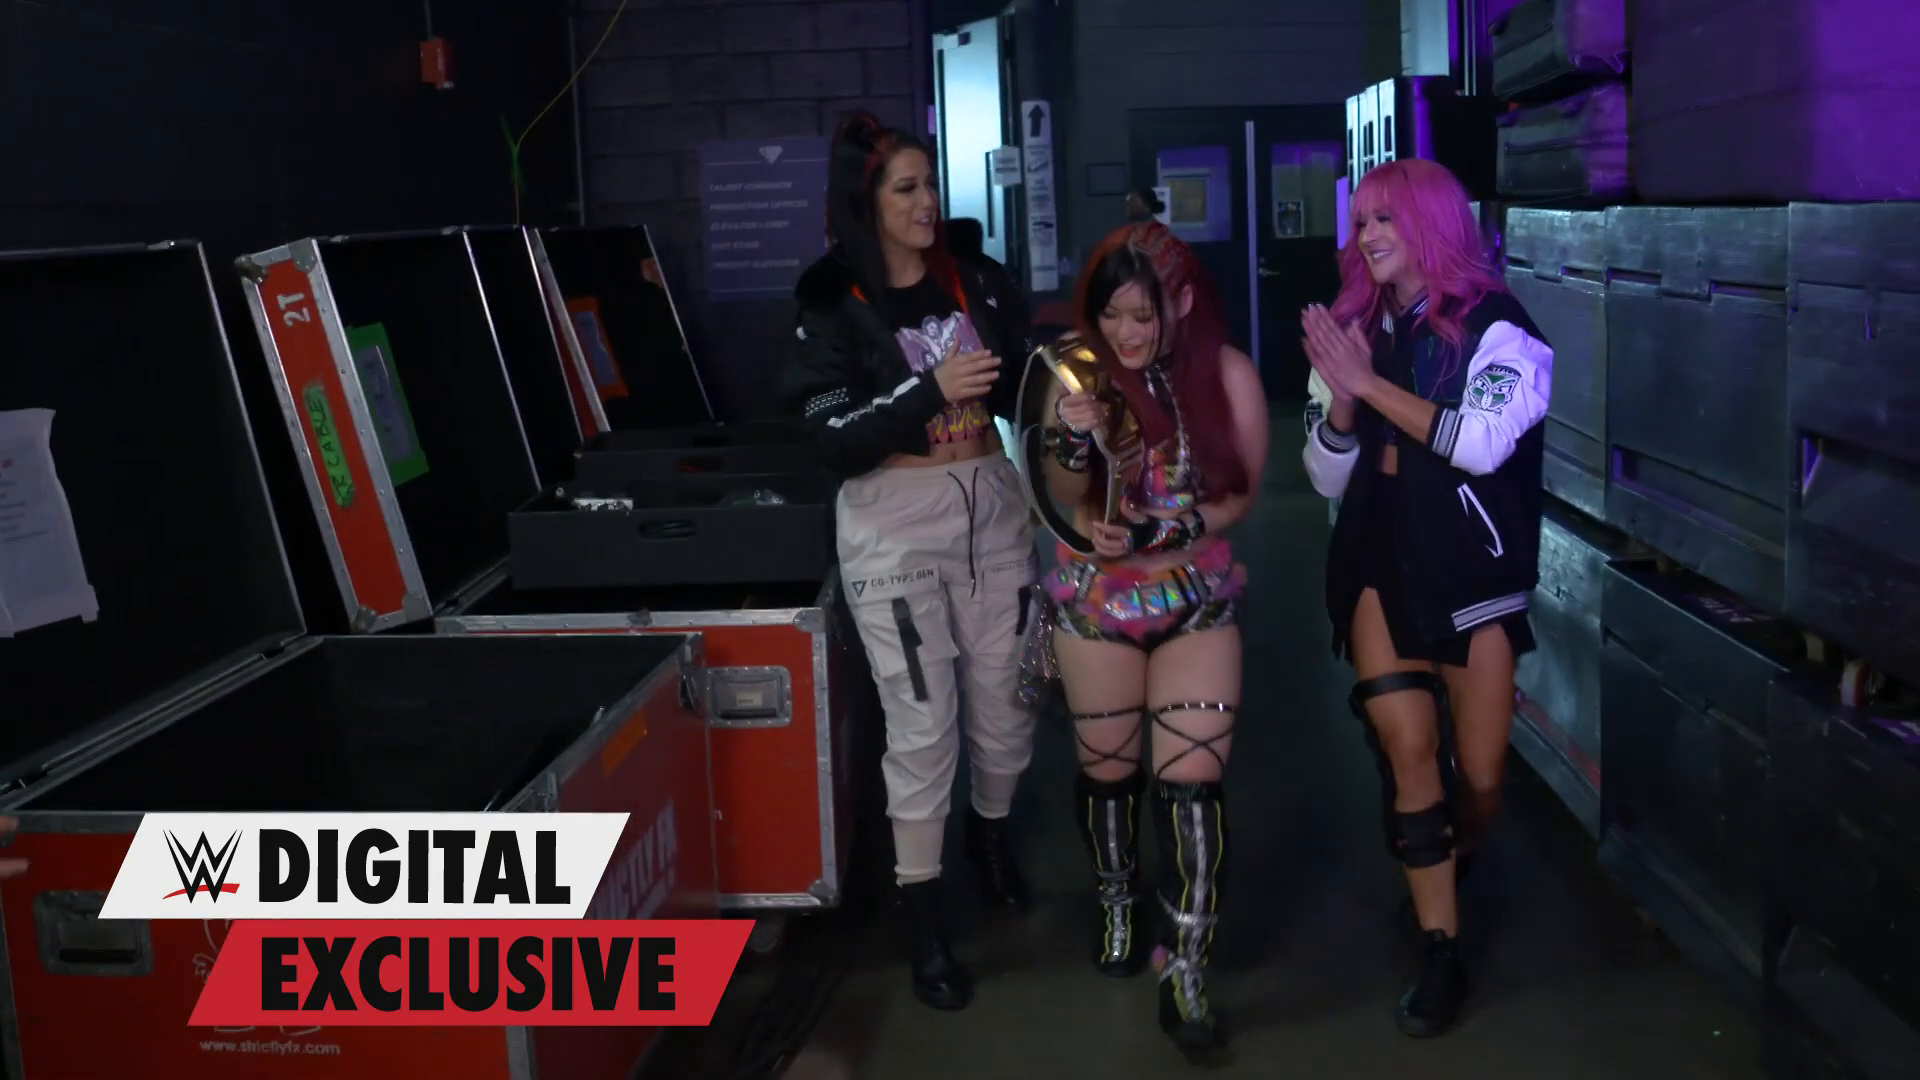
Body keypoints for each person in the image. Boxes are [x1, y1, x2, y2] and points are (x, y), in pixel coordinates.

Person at [784, 112, 1038, 1013]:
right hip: (893, 523)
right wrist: (926, 391)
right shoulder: (829, 301)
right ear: (867, 201)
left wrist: (1068, 406)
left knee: (1011, 699)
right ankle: (921, 912)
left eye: (931, 183)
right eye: (907, 188)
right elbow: (831, 441)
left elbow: (1023, 379)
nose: (928, 201)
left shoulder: (976, 277)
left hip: (993, 503)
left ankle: (990, 835)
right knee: (923, 723)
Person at [1300, 157, 1553, 1038]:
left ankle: (1442, 851)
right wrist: (1342, 403)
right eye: (1361, 222)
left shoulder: (1502, 329)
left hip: (1470, 573)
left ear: (1433, 224)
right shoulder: (1353, 330)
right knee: (1410, 752)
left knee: (1478, 781)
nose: (1367, 236)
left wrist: (1368, 385)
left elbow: (1481, 445)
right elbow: (1323, 477)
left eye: (1386, 219)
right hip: (1377, 560)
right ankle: (1441, 952)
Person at [1030, 222, 1268, 1063]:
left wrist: (1173, 529)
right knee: (1108, 773)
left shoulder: (1227, 374)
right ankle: (1118, 901)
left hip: (1194, 596)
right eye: (1113, 316)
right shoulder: (1077, 373)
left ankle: (1187, 965)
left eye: (1145, 314)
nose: (1128, 333)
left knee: (1194, 784)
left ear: (1185, 302)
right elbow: (1061, 491)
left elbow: (1241, 492)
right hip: (1096, 600)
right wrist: (1073, 433)